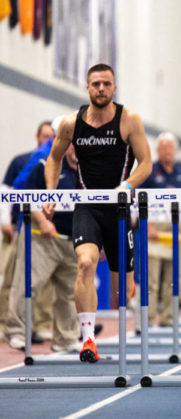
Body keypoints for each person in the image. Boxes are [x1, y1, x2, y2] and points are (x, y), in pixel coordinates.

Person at [43, 63, 152, 362]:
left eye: (106, 83)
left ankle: (129, 294)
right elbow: (53, 159)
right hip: (87, 206)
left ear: (114, 88)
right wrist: (51, 193)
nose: (101, 89)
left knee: (122, 290)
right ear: (87, 88)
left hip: (118, 209)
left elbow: (146, 163)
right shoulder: (71, 122)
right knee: (86, 264)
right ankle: (88, 339)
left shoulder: (128, 119)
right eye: (95, 84)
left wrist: (127, 186)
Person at [6, 143, 81, 352]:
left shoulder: (90, 172)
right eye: (73, 143)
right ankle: (17, 333)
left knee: (69, 293)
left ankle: (66, 339)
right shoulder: (44, 165)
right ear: (65, 145)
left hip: (74, 240)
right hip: (42, 238)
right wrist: (43, 221)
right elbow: (25, 199)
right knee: (28, 285)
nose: (77, 148)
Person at [1, 121, 55, 344]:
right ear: (37, 136)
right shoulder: (22, 161)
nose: (48, 141)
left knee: (42, 282)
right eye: (45, 136)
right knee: (11, 278)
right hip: (17, 227)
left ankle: (40, 324)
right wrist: (5, 221)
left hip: (43, 232)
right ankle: (5, 323)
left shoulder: (56, 164)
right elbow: (5, 192)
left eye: (53, 137)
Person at [139, 133, 181, 328]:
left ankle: (169, 318)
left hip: (175, 230)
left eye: (170, 147)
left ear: (175, 150)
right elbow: (137, 199)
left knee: (172, 280)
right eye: (163, 147)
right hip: (153, 229)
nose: (167, 151)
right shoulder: (149, 170)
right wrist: (147, 226)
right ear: (158, 150)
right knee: (151, 281)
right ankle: (148, 319)